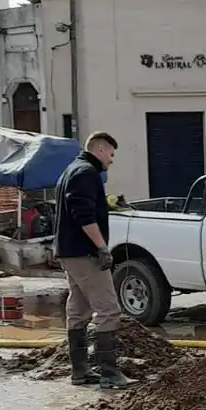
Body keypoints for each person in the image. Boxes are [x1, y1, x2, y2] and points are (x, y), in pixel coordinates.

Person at [53, 131, 133, 388]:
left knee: (78, 310)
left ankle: (80, 371)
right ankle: (109, 373)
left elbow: (79, 206)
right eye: (110, 154)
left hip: (69, 252)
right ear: (99, 150)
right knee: (109, 310)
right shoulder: (86, 173)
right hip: (85, 254)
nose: (111, 160)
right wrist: (102, 247)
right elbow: (83, 214)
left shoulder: (70, 171)